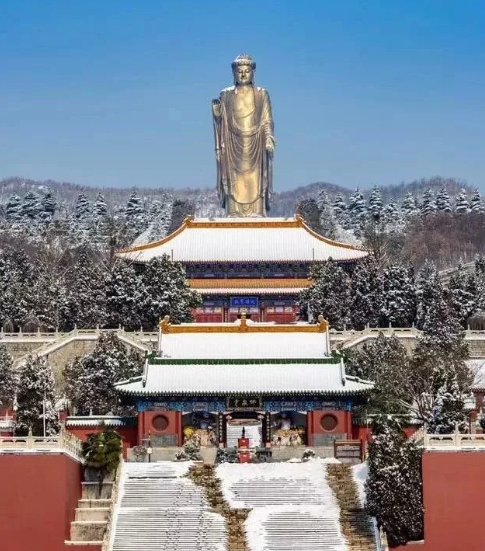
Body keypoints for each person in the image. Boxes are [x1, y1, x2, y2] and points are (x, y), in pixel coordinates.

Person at [212, 54, 275, 217]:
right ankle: (233, 210)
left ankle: (256, 210)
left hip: (256, 141)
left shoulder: (262, 94)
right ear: (234, 73)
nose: (243, 74)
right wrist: (218, 116)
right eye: (239, 71)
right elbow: (222, 121)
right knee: (233, 176)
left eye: (247, 71)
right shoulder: (226, 94)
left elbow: (267, 120)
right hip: (232, 141)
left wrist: (268, 138)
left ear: (253, 73)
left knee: (256, 178)